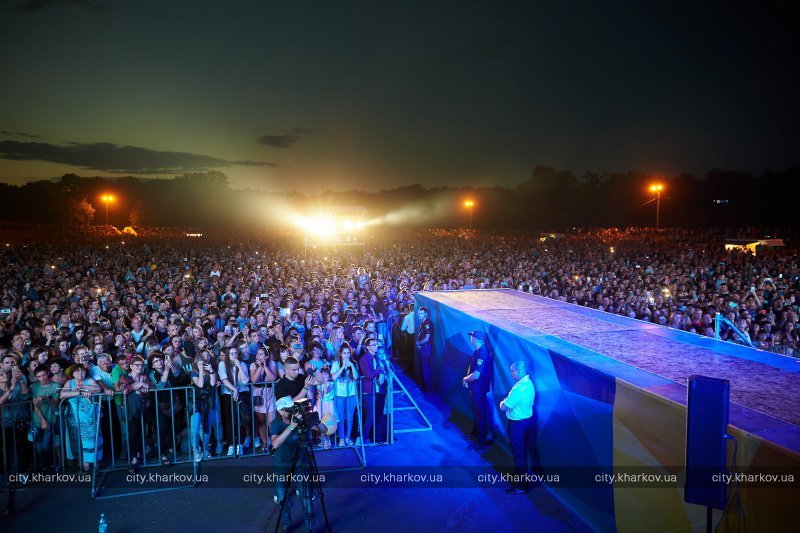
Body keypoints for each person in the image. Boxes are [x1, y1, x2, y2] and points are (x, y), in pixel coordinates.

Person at [499, 360, 536, 494]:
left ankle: (521, 486)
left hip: (518, 426)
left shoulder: (518, 389)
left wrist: (503, 401)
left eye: (513, 371)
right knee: (521, 453)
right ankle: (522, 480)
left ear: (519, 372)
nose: (511, 373)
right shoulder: (529, 384)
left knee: (519, 454)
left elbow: (503, 407)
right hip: (527, 422)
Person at [60, 364, 103, 472]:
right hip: (74, 416)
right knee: (77, 437)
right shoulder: (69, 382)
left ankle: (94, 461)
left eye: (82, 371)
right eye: (77, 371)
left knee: (92, 437)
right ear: (72, 374)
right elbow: (62, 394)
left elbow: (98, 389)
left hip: (90, 416)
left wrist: (83, 387)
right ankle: (83, 461)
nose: (80, 373)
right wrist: (79, 392)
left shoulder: (89, 380)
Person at [462, 330, 493, 450]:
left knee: (480, 414)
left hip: (479, 389)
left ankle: (481, 441)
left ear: (474, 339)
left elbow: (476, 375)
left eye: (471, 337)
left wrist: (465, 379)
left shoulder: (483, 353)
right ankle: (475, 434)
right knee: (476, 412)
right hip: (476, 388)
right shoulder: (479, 351)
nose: (471, 339)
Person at [359, 339, 387, 444]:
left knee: (373, 414)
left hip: (375, 389)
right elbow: (369, 375)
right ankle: (364, 437)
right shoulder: (364, 358)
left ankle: (370, 436)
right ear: (368, 347)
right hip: (368, 390)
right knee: (370, 414)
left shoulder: (374, 357)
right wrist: (379, 369)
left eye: (376, 344)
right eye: (374, 345)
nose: (376, 346)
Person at [330, 344, 359, 447]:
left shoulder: (353, 363)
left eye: (348, 353)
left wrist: (351, 365)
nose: (346, 355)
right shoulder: (336, 364)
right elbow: (333, 377)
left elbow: (356, 377)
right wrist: (343, 367)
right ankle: (341, 438)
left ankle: (348, 437)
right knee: (341, 418)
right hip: (339, 395)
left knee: (350, 417)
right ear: (340, 354)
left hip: (351, 394)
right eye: (344, 353)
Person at [415, 306, 434, 392]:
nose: (419, 315)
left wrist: (418, 343)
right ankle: (424, 386)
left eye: (421, 313)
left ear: (426, 314)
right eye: (419, 313)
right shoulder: (422, 322)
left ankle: (428, 389)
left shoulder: (427, 324)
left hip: (426, 348)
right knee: (423, 367)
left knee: (426, 368)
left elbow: (427, 338)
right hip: (423, 347)